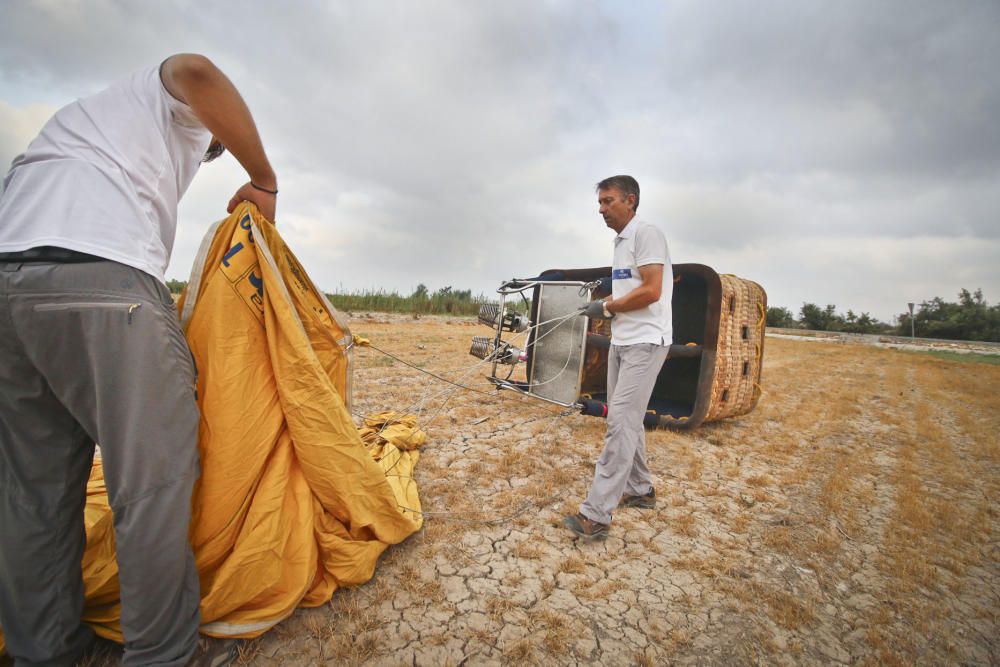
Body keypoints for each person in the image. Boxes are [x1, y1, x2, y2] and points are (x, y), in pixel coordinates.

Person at [0, 54, 276, 666]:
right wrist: (264, 180)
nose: (203, 157)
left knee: (32, 491)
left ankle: (42, 653)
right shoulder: (160, 98)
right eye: (210, 149)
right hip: (103, 282)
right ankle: (163, 655)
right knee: (150, 486)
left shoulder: (74, 126)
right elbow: (197, 71)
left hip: (10, 290)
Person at [563, 175, 673, 541]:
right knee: (629, 420)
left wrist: (606, 308)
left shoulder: (647, 233)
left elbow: (652, 290)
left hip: (646, 342)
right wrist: (604, 303)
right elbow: (630, 286)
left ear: (631, 199)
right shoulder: (620, 242)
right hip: (623, 343)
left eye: (608, 201)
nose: (601, 209)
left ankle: (596, 516)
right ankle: (640, 489)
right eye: (600, 202)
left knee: (619, 424)